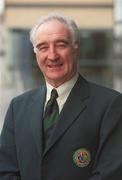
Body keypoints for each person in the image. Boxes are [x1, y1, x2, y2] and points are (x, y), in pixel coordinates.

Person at [0, 13, 122, 180]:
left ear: (76, 48)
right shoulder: (18, 107)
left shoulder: (111, 105)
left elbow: (110, 174)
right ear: (35, 54)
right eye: (43, 47)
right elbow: (5, 170)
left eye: (61, 45)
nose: (52, 55)